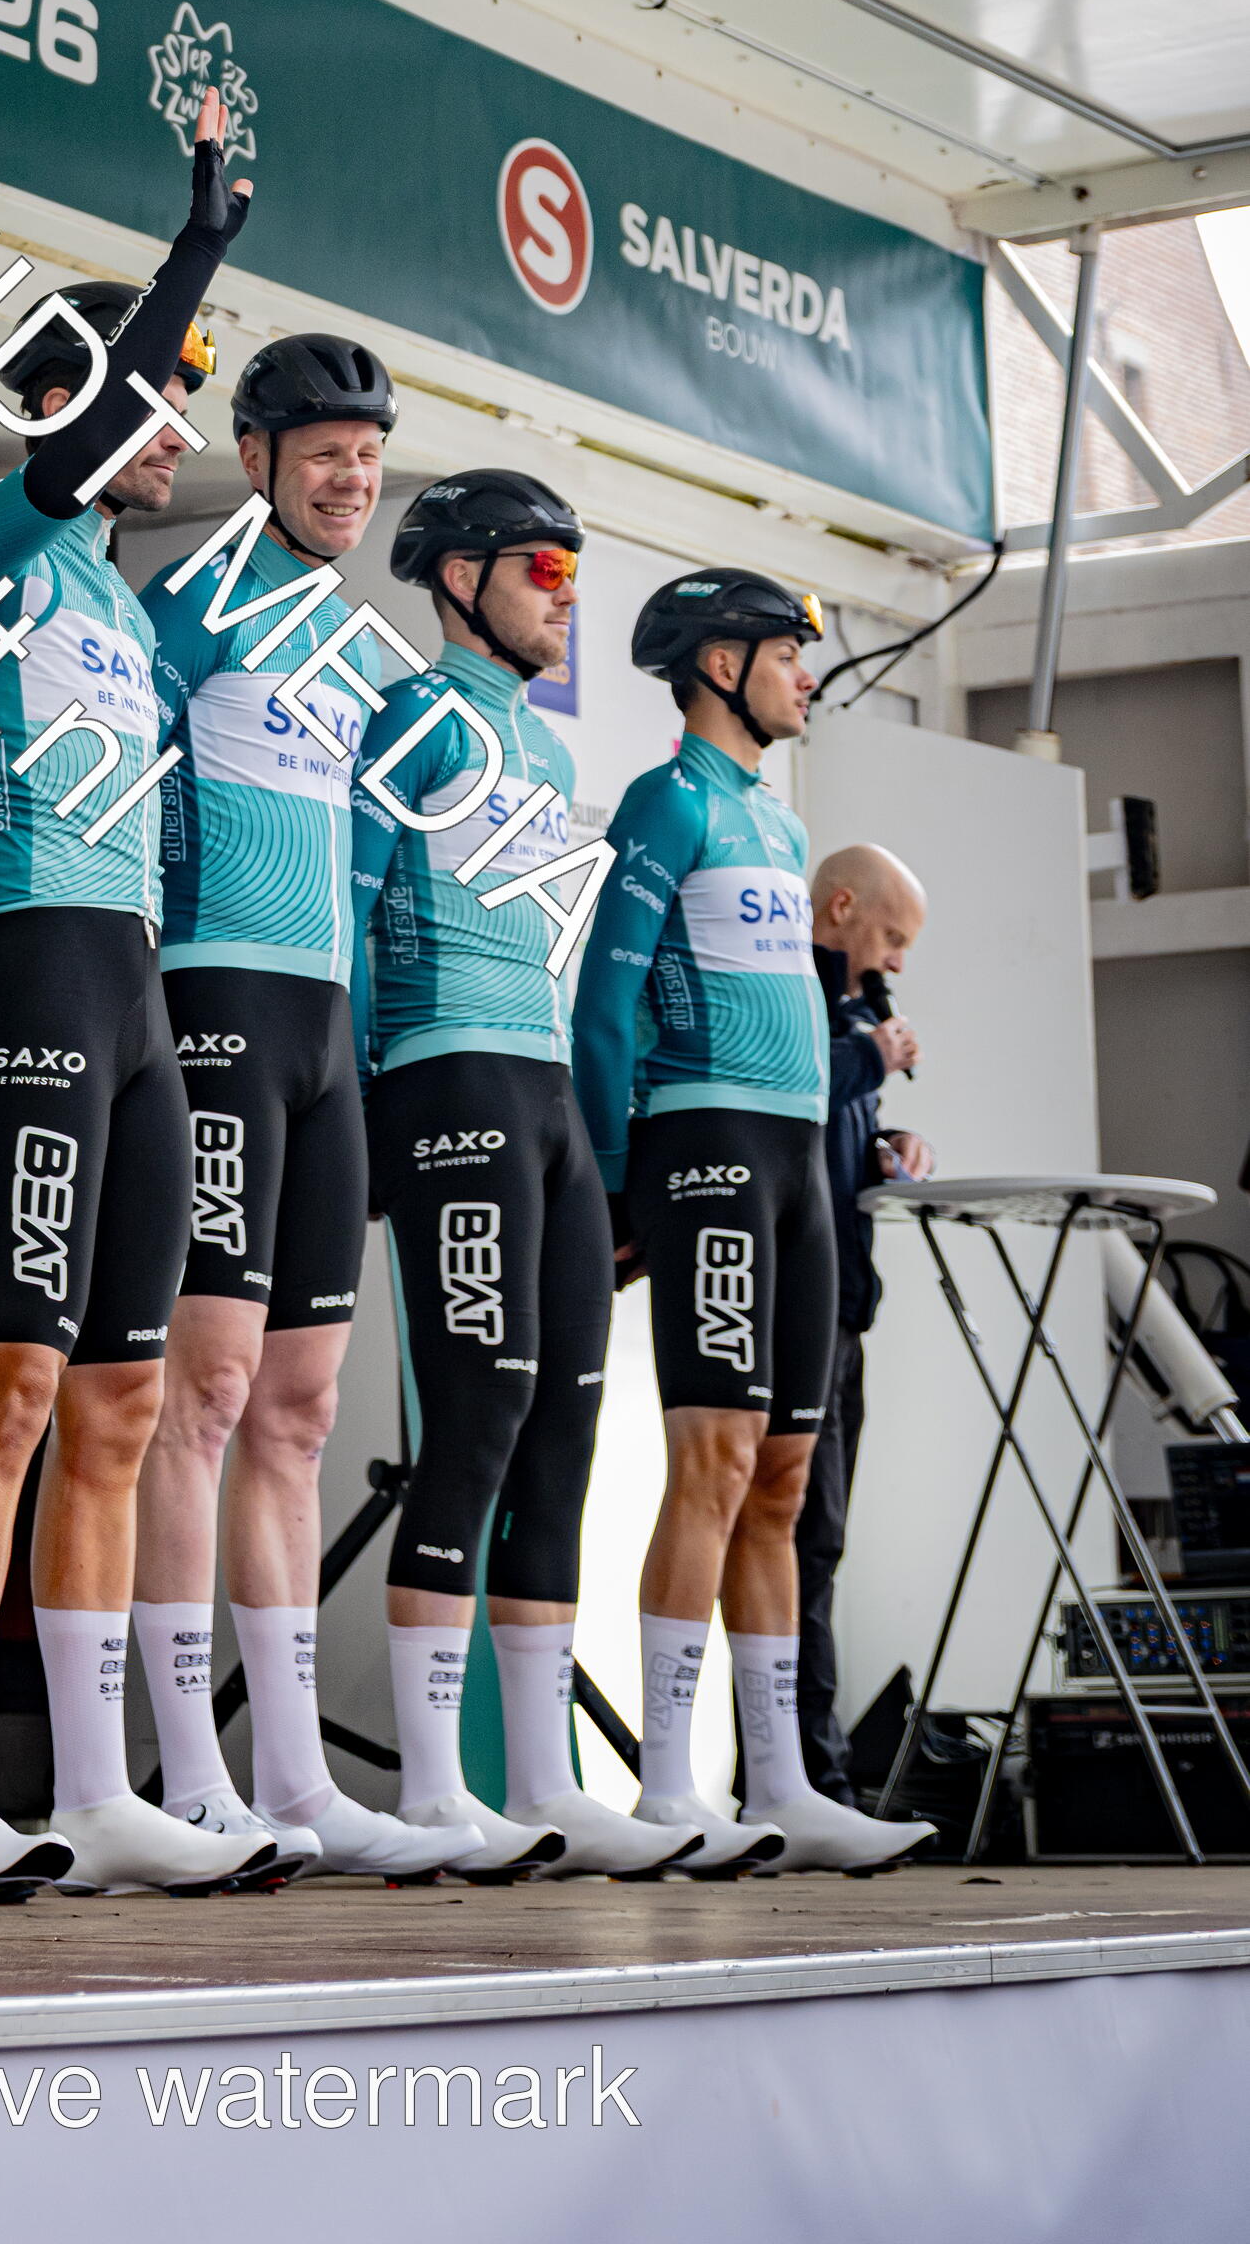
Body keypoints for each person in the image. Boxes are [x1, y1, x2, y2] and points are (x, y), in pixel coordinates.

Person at [0, 94, 274, 1900]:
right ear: (72, 409)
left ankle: (95, 1781)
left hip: (129, 990)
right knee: (13, 1387)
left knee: (120, 1406)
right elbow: (120, 406)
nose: (171, 434)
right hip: (30, 959)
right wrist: (196, 243)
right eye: (146, 405)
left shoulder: (123, 615)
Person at [131, 335, 439, 1879]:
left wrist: (369, 1061)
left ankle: (296, 1777)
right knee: (199, 1395)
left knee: (302, 1412)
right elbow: (114, 813)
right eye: (323, 453)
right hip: (211, 1012)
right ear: (253, 458)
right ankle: (188, 1773)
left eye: (367, 458)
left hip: (323, 1040)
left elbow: (370, 883)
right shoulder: (185, 608)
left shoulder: (358, 647)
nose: (349, 479)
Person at [576, 573, 930, 1874]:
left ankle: (781, 1779)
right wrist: (616, 1178)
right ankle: (670, 1783)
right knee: (714, 1466)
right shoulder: (665, 802)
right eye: (786, 654)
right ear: (719, 664)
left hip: (795, 1166)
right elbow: (603, 1005)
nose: (804, 677)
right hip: (705, 1147)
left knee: (782, 1477)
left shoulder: (778, 824)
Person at [357, 472, 660, 1880]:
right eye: (543, 567)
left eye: (573, 569)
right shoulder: (413, 714)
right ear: (459, 578)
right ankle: (433, 1787)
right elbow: (351, 905)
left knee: (562, 1438)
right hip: (448, 1077)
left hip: (543, 1098)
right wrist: (355, 1094)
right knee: (475, 1416)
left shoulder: (536, 746)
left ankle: (544, 1777)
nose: (566, 593)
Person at [799, 843, 935, 1796]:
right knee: (796, 1537)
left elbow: (835, 1127)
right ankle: (810, 1775)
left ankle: (813, 1770)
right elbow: (786, 1092)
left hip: (846, 1306)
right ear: (842, 907)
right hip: (795, 1305)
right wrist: (868, 1059)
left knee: (823, 1537)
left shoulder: (853, 1020)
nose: (897, 961)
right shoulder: (794, 997)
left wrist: (891, 1142)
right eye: (891, 935)